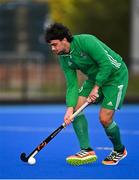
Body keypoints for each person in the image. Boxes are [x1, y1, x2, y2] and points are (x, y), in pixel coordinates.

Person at [45, 22, 128, 166]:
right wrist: (69, 109)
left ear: (64, 40)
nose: (53, 48)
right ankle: (86, 150)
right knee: (76, 108)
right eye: (51, 45)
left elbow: (106, 64)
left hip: (115, 76)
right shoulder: (64, 57)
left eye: (55, 44)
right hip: (95, 78)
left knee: (104, 119)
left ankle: (119, 150)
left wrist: (96, 88)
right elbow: (72, 85)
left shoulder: (86, 41)